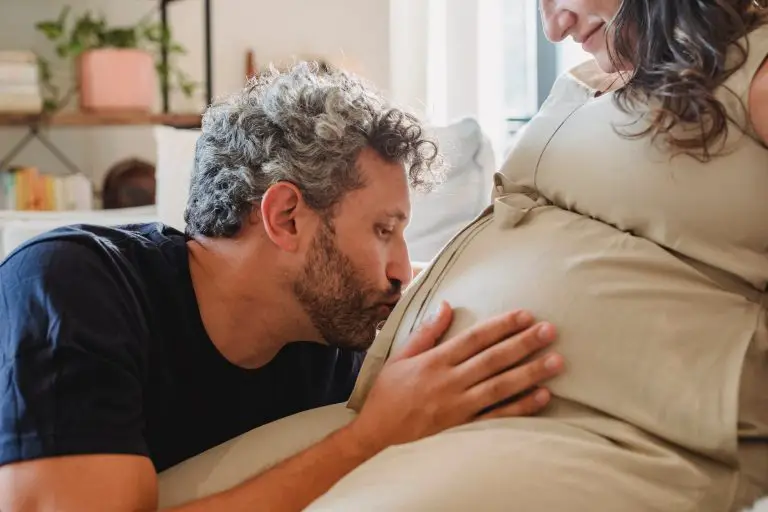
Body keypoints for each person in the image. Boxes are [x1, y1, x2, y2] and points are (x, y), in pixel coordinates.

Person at [0, 63, 565, 511]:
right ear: (287, 217)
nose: (402, 269)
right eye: (383, 230)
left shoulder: (335, 343)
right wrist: (369, 438)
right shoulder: (73, 288)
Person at [298, 1, 768, 511]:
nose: (552, 26)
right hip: (431, 411)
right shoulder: (604, 77)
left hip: (620, 434)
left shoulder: (752, 72)